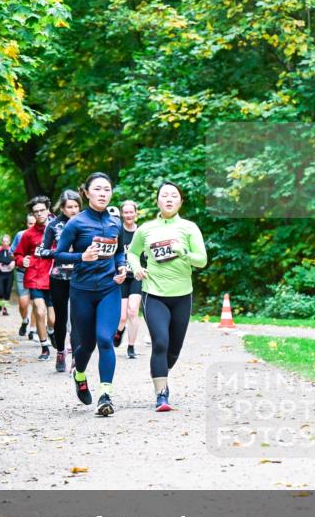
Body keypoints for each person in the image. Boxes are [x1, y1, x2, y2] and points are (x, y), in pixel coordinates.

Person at [127, 182, 207, 412]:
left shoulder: (190, 228)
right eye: (164, 195)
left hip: (182, 295)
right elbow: (132, 253)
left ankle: (160, 370)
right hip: (154, 293)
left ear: (181, 201)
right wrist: (136, 268)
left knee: (173, 350)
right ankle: (161, 394)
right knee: (160, 342)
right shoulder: (146, 229)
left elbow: (201, 260)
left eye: (174, 196)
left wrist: (185, 253)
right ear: (157, 201)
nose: (169, 199)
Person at [55, 173, 127, 416]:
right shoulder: (76, 223)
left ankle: (105, 394)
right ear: (86, 192)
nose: (103, 193)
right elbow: (59, 254)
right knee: (85, 346)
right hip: (82, 291)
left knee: (105, 339)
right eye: (97, 189)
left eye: (107, 189)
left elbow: (118, 253)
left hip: (109, 288)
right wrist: (81, 257)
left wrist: (121, 267)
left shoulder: (115, 223)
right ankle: (80, 374)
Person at [38, 190, 82, 372]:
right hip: (59, 277)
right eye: (69, 207)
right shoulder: (54, 226)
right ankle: (61, 351)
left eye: (76, 206)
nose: (73, 210)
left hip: (80, 276)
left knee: (78, 318)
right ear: (62, 208)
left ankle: (76, 358)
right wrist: (60, 254)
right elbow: (42, 251)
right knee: (61, 318)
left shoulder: (85, 223)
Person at [14, 197, 54, 361]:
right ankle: (44, 347)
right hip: (35, 277)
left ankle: (51, 332)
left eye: (42, 210)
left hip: (54, 277)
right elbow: (18, 254)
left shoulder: (58, 229)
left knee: (53, 318)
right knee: (40, 310)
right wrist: (21, 260)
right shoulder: (28, 235)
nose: (39, 214)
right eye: (35, 212)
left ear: (48, 210)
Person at [114, 199, 146, 359]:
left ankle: (131, 346)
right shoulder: (118, 231)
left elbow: (148, 254)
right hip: (121, 276)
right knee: (122, 316)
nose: (128, 215)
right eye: (125, 212)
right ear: (122, 214)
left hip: (136, 276)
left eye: (131, 212)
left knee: (133, 311)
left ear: (136, 213)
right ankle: (119, 331)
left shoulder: (141, 232)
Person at [11, 214, 36, 337]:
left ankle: (33, 329)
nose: (32, 226)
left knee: (37, 302)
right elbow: (13, 254)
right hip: (22, 272)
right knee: (23, 303)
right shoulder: (20, 235)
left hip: (37, 273)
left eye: (34, 223)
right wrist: (21, 260)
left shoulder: (44, 234)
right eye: (30, 223)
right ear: (27, 224)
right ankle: (25, 320)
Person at [0, 234, 15, 315]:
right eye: (3, 241)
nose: (5, 243)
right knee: (1, 291)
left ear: (9, 242)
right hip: (0, 273)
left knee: (7, 291)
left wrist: (13, 262)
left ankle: (4, 309)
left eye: (7, 241)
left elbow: (17, 259)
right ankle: (1, 304)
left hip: (9, 274)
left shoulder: (12, 250)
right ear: (1, 242)